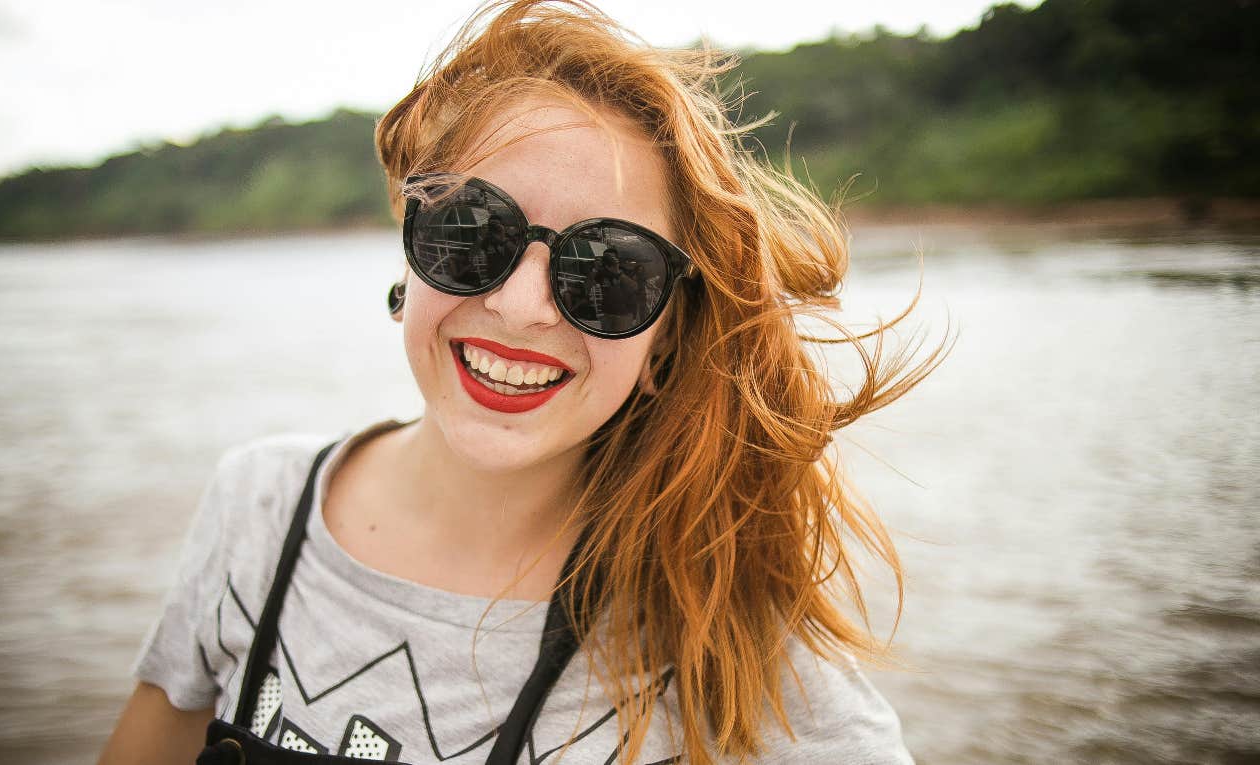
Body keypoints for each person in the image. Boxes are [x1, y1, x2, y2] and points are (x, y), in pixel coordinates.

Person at [97, 1, 945, 763]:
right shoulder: (258, 503)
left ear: (663, 337)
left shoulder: (706, 621)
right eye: (472, 232)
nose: (521, 305)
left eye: (608, 269)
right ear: (411, 246)